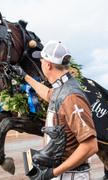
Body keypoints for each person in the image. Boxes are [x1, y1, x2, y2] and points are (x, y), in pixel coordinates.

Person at [11, 40, 98, 179]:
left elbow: (90, 146)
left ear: (48, 65)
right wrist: (24, 76)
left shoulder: (71, 96)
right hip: (64, 173)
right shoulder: (62, 88)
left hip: (71, 176)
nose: (40, 63)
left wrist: (51, 173)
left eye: (41, 60)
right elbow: (48, 94)